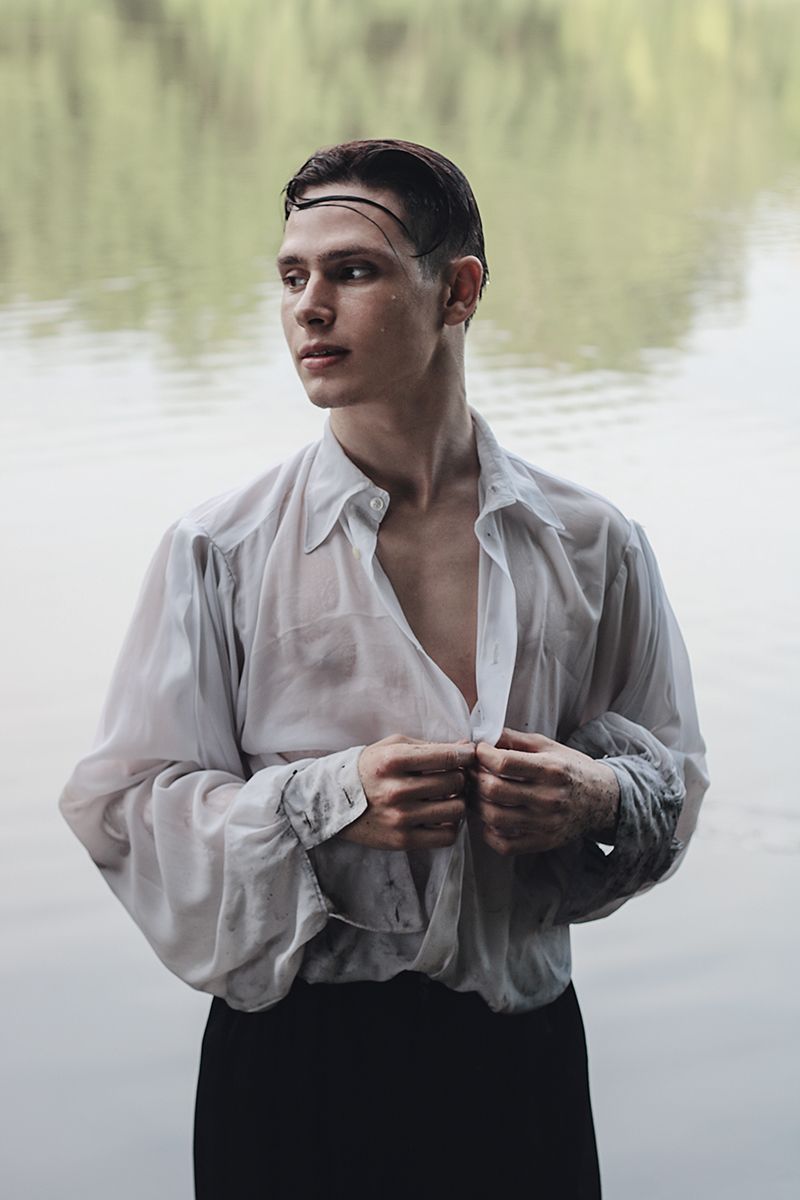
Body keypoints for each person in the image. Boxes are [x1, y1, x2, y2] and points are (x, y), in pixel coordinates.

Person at [60, 139, 707, 1199]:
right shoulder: (217, 549)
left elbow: (671, 780)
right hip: (294, 1074)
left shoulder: (594, 543)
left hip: (522, 1062)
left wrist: (593, 794)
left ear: (458, 291)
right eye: (290, 277)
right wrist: (329, 801)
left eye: (351, 271)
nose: (308, 308)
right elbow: (123, 808)